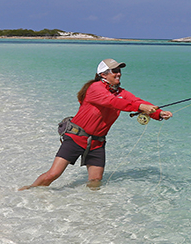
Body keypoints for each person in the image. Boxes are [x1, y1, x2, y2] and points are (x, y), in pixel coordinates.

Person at [20, 59, 172, 190]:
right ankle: (29, 191)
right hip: (76, 137)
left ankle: (90, 209)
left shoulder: (121, 92)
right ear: (103, 75)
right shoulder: (95, 88)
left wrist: (158, 113)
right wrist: (140, 108)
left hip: (97, 142)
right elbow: (114, 102)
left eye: (119, 70)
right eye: (114, 71)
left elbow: (136, 101)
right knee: (53, 175)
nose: (118, 73)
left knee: (95, 182)